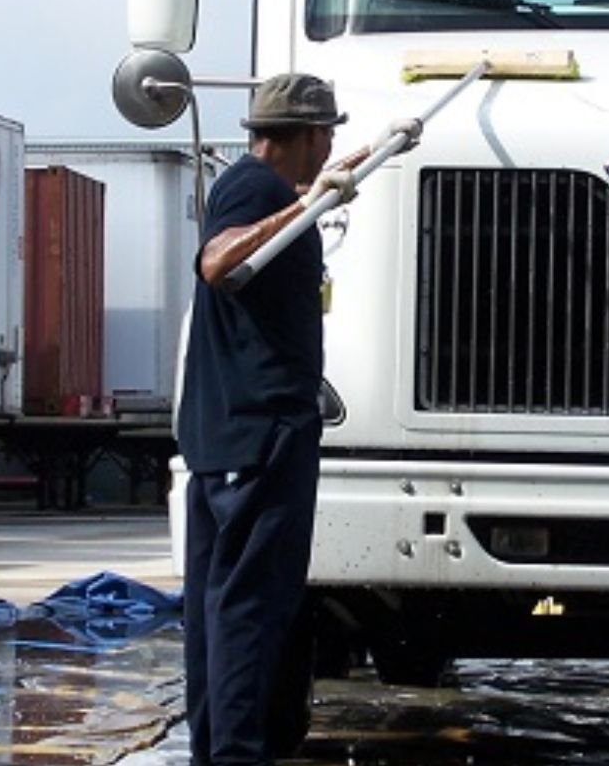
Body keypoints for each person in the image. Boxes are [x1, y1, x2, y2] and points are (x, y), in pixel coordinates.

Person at [180, 72, 404, 765]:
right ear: (305, 135)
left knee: (220, 610)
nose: (330, 142)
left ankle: (217, 752)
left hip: (229, 435)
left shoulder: (249, 185)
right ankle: (236, 756)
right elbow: (217, 262)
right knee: (248, 609)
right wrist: (304, 204)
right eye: (327, 133)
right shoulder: (258, 191)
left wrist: (362, 163)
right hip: (262, 435)